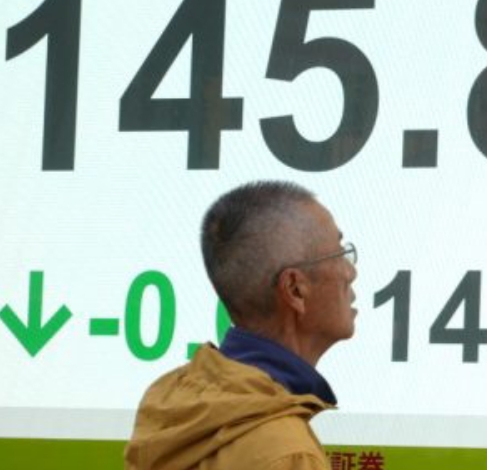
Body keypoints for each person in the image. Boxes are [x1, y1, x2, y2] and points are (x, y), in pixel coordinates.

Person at [126, 181, 358, 470]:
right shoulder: (287, 455)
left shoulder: (170, 401)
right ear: (295, 289)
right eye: (338, 254)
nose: (351, 272)